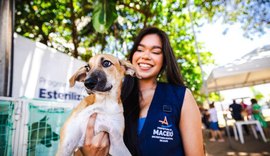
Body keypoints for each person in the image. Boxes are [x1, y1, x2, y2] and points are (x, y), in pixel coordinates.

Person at [76, 27, 204, 156]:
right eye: (140, 49)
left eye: (155, 51)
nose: (145, 56)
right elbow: (81, 145)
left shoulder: (180, 96)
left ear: (164, 60)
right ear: (132, 57)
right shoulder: (108, 98)